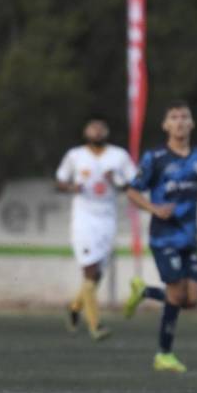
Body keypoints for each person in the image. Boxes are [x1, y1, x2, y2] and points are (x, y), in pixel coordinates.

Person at [122, 102, 197, 373]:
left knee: (192, 299)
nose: (179, 121)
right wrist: (154, 209)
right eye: (173, 117)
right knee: (176, 294)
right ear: (165, 125)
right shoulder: (155, 157)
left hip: (190, 236)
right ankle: (163, 354)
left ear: (191, 123)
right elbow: (132, 191)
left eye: (184, 117)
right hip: (164, 236)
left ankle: (145, 291)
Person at [54, 116, 137, 342]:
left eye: (101, 127)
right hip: (84, 219)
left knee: (97, 274)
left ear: (107, 132)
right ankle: (95, 325)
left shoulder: (119, 156)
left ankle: (74, 308)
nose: (97, 131)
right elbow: (59, 182)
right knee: (90, 271)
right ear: (85, 132)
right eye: (93, 127)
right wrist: (72, 186)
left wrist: (116, 179)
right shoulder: (75, 155)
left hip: (107, 220)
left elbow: (132, 183)